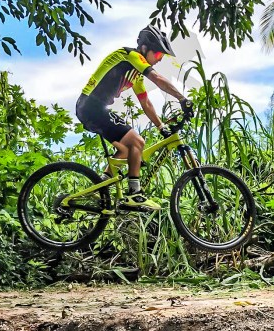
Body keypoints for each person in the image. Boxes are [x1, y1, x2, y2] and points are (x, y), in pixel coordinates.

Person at [75, 25, 192, 211]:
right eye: (159, 55)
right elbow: (158, 79)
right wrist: (182, 98)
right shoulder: (130, 55)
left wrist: (162, 127)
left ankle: (99, 191)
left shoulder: (135, 75)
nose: (159, 60)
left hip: (93, 108)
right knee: (137, 142)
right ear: (145, 49)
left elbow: (146, 104)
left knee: (126, 151)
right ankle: (134, 194)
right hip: (91, 105)